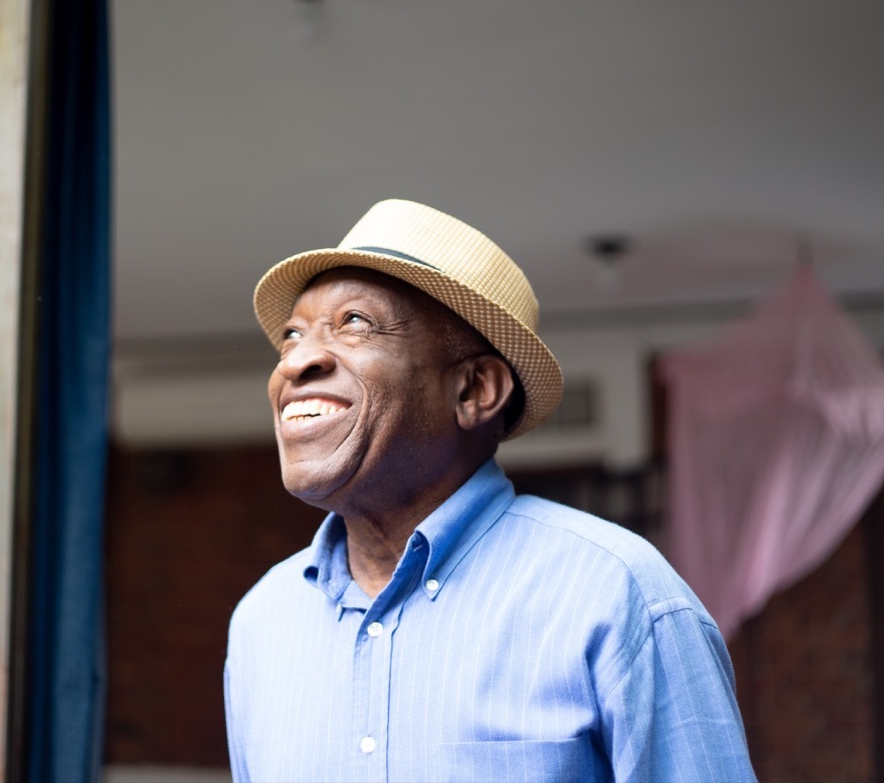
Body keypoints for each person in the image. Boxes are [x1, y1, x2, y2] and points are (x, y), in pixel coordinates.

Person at [223, 199, 755, 782]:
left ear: (475, 390)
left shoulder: (615, 594)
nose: (297, 361)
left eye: (355, 323)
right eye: (292, 335)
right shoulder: (263, 621)